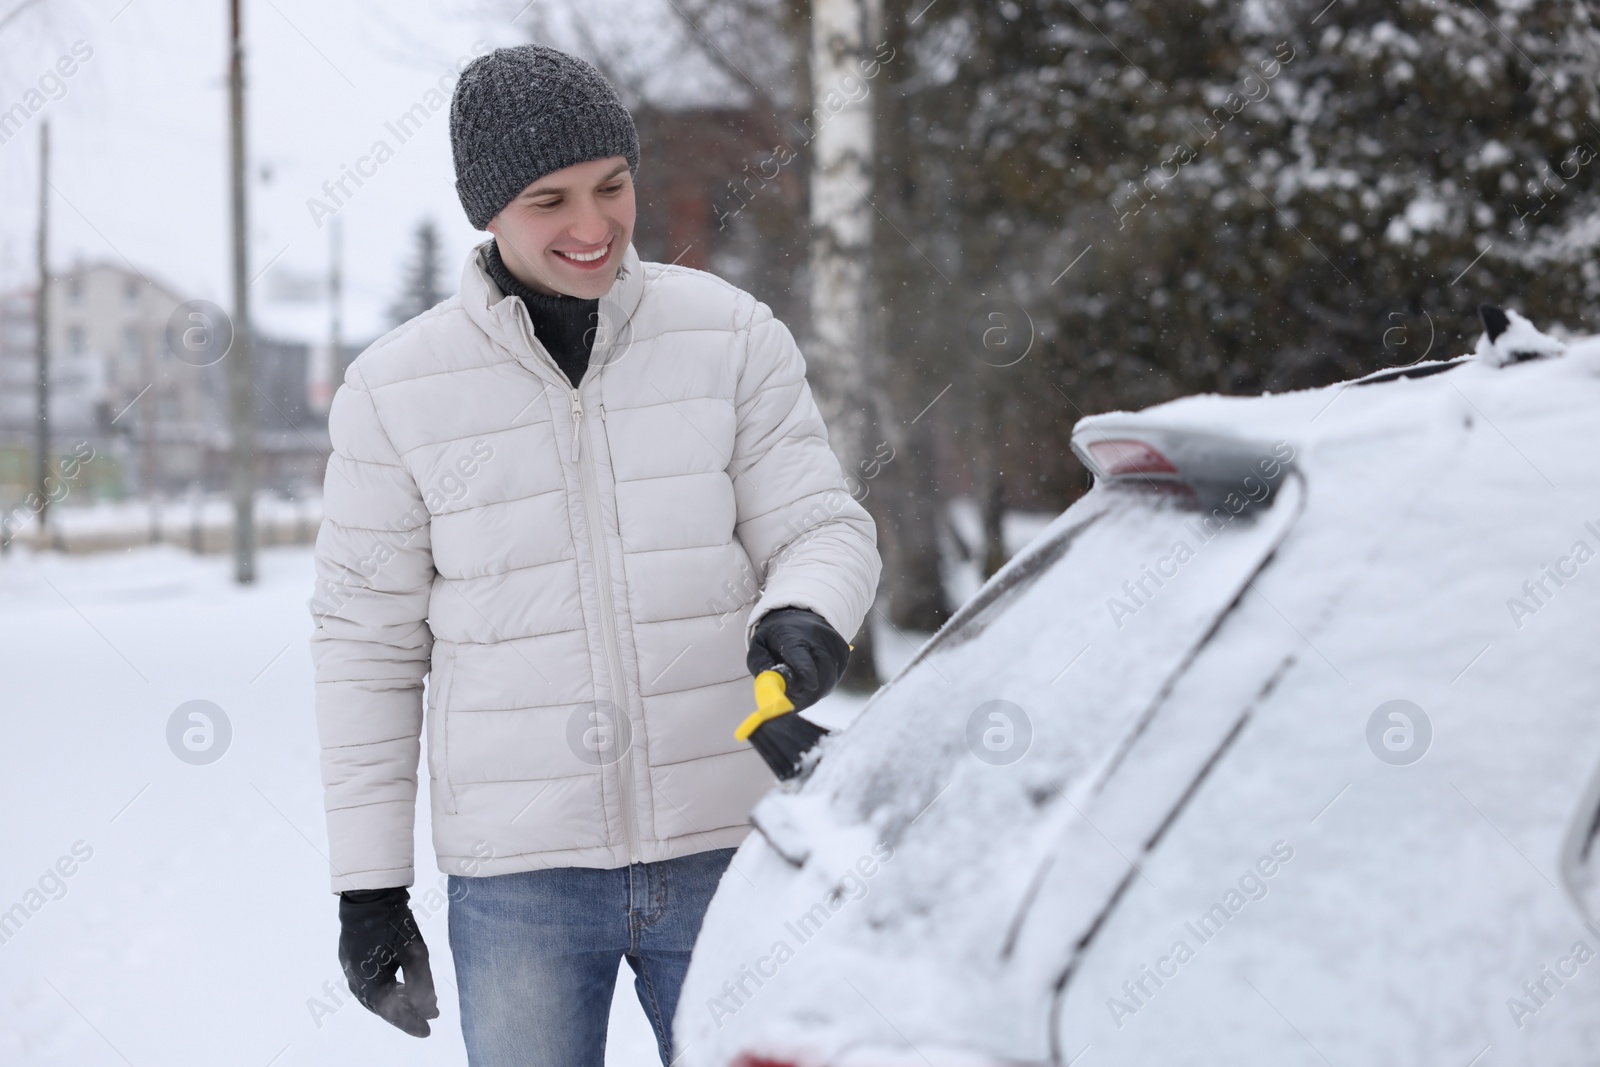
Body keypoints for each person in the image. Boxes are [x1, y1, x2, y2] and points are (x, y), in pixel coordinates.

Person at [307, 43, 882, 1067]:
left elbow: (818, 527)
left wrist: (805, 611)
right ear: (485, 210)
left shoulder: (728, 335)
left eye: (612, 186)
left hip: (728, 841)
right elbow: (367, 648)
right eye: (549, 200)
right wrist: (369, 887)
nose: (592, 227)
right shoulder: (396, 391)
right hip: (519, 873)